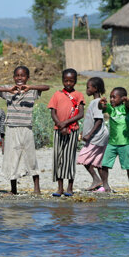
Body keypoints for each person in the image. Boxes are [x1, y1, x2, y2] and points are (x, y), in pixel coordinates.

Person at [0, 66, 49, 195]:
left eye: (22, 75)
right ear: (13, 77)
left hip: (26, 128)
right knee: (12, 158)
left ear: (27, 77)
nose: (19, 78)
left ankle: (37, 188)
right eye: (17, 75)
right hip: (11, 127)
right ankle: (13, 189)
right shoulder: (8, 91)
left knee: (30, 157)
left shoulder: (32, 92)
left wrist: (31, 87)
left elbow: (46, 87)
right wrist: (8, 89)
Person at [48, 68, 85, 197]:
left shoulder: (79, 95)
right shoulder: (57, 95)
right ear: (62, 80)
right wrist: (60, 124)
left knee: (69, 159)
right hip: (58, 130)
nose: (68, 83)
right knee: (58, 158)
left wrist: (66, 123)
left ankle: (70, 187)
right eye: (66, 81)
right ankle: (60, 188)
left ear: (75, 81)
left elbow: (80, 114)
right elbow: (53, 112)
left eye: (71, 81)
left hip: (72, 130)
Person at [98, 87, 129, 193]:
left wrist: (127, 102)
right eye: (110, 97)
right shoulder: (111, 109)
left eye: (114, 97)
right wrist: (101, 103)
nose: (112, 99)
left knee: (128, 166)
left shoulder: (125, 109)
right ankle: (105, 185)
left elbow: (128, 106)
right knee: (105, 164)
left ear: (122, 98)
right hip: (112, 143)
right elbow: (102, 108)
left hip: (124, 143)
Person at [77, 77, 109, 191]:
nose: (86, 89)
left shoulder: (96, 102)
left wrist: (89, 134)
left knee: (83, 158)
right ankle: (106, 186)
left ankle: (96, 179)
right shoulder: (95, 102)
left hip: (97, 136)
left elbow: (99, 120)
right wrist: (84, 132)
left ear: (95, 89)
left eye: (88, 87)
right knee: (98, 161)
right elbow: (91, 120)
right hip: (99, 136)